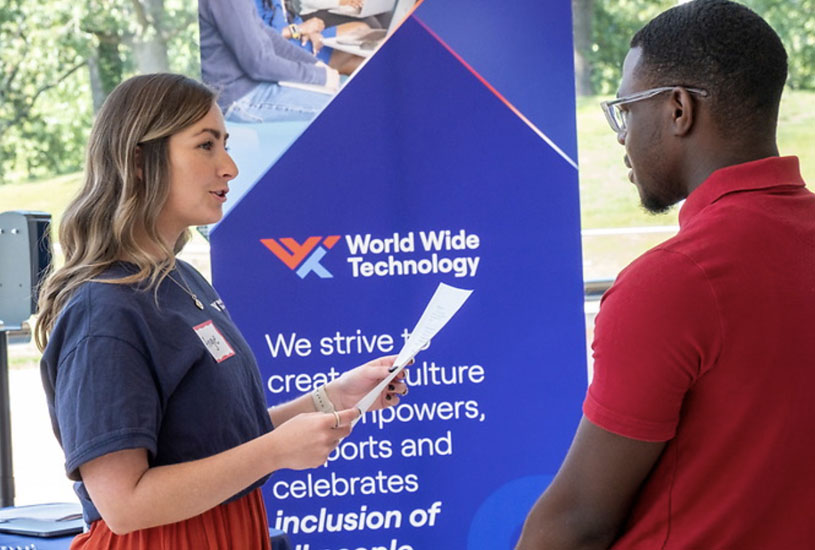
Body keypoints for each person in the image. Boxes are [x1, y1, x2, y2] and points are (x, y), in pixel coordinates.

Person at [36, 73, 408, 549]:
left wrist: (332, 398)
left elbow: (213, 442)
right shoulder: (103, 310)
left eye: (225, 144)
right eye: (206, 146)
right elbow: (124, 504)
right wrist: (276, 453)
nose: (229, 166)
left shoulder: (181, 282)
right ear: (140, 161)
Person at [517, 1, 814, 548]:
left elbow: (578, 521)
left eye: (626, 109)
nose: (622, 136)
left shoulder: (672, 282)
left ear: (678, 109)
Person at [199, 0, 340, 123]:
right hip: (237, 96)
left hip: (250, 83)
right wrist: (319, 76)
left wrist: (314, 63)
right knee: (341, 105)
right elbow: (258, 64)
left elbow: (265, 33)